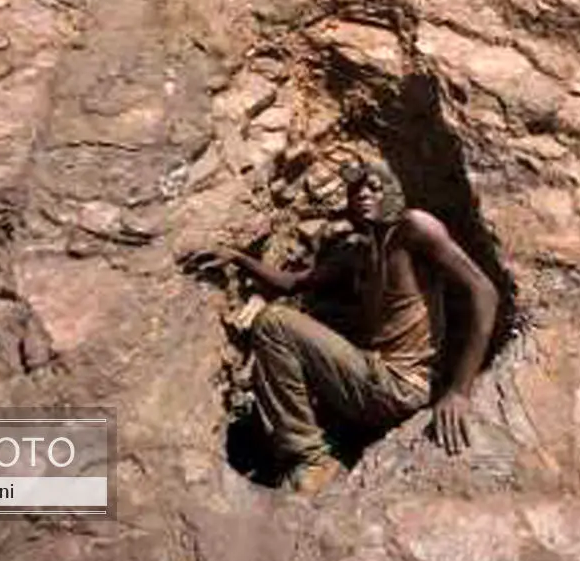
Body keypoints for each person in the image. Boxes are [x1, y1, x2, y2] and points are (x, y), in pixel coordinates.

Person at [189, 159, 499, 495]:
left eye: (374, 187)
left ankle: (311, 459)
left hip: (401, 384)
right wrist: (237, 257)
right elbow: (292, 284)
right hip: (369, 380)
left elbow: (485, 292)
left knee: (275, 323)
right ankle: (327, 444)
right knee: (320, 317)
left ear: (393, 192)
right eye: (355, 190)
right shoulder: (357, 251)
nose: (363, 194)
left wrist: (459, 391)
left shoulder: (414, 229)